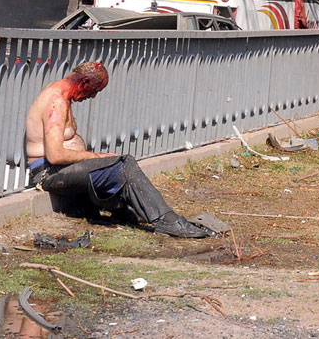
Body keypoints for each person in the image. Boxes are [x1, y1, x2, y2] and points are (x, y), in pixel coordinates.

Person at [25, 62, 214, 238]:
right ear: (84, 82)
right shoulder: (56, 102)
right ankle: (168, 222)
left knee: (117, 167)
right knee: (123, 165)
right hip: (49, 173)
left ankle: (127, 212)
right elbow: (55, 155)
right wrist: (94, 156)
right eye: (94, 91)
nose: (92, 96)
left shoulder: (62, 94)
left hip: (60, 170)